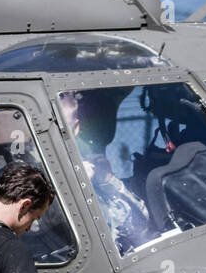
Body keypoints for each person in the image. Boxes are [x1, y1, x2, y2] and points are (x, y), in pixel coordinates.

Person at [59, 89, 158, 255]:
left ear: (76, 128)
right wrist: (78, 188)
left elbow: (140, 223)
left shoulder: (88, 161)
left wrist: (107, 180)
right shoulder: (32, 172)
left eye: (62, 130)